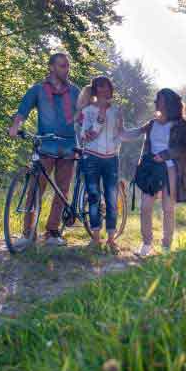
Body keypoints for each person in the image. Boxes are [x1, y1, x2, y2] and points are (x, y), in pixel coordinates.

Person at [8, 53, 80, 248]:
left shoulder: (75, 92)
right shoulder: (38, 90)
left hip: (68, 147)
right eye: (62, 65)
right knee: (35, 189)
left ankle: (52, 232)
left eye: (67, 65)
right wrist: (16, 126)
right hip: (45, 146)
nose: (66, 69)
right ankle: (28, 233)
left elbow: (83, 115)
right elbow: (22, 110)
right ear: (51, 67)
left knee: (62, 190)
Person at [124, 89, 186, 257]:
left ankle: (166, 246)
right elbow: (134, 133)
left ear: (169, 102)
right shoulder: (152, 123)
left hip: (170, 168)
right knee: (145, 206)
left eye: (160, 99)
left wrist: (165, 155)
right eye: (156, 99)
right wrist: (118, 129)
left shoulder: (180, 123)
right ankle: (147, 243)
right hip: (152, 170)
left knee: (168, 208)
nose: (156, 102)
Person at [77, 76, 124, 253]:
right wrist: (101, 116)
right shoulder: (88, 110)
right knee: (94, 197)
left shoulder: (117, 110)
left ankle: (111, 239)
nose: (103, 91)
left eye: (106, 87)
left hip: (112, 159)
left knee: (112, 199)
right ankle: (96, 238)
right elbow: (87, 135)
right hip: (92, 158)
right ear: (95, 91)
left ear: (110, 90)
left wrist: (143, 131)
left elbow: (121, 133)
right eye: (99, 88)